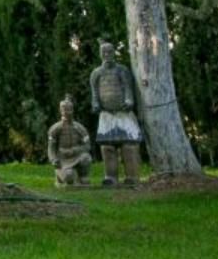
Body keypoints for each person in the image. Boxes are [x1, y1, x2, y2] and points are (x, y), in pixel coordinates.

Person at [89, 41, 144, 186]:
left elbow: (128, 87)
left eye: (110, 52)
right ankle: (111, 177)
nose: (107, 55)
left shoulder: (122, 70)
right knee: (107, 146)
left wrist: (129, 100)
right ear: (100, 54)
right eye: (104, 52)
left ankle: (132, 176)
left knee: (129, 145)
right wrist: (95, 104)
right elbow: (94, 92)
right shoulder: (96, 73)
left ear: (114, 53)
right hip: (106, 114)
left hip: (123, 113)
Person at [46, 97, 92, 187]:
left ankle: (83, 176)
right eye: (64, 110)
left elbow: (87, 145)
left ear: (73, 110)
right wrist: (53, 159)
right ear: (60, 111)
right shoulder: (55, 128)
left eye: (69, 110)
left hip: (77, 156)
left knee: (86, 157)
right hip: (62, 159)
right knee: (69, 177)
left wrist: (76, 150)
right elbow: (51, 147)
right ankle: (60, 176)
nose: (67, 112)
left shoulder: (79, 128)